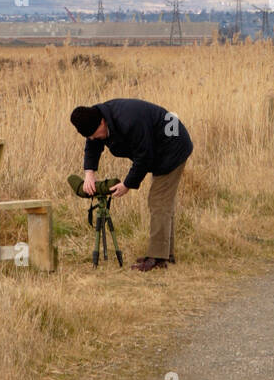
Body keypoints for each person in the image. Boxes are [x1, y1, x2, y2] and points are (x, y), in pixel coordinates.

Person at [70, 99, 193, 272]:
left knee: (158, 202)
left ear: (102, 122)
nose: (94, 139)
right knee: (162, 203)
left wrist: (127, 184)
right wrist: (89, 173)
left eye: (95, 134)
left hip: (172, 147)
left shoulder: (129, 120)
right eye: (90, 137)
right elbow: (93, 145)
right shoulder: (96, 118)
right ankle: (165, 254)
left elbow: (144, 156)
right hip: (159, 149)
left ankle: (157, 258)